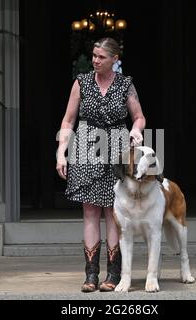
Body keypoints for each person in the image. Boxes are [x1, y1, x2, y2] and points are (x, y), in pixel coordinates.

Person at [56, 37, 146, 292]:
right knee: (90, 212)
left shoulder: (125, 85)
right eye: (94, 56)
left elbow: (138, 117)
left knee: (113, 213)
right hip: (85, 146)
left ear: (115, 59)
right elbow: (68, 120)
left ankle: (113, 274)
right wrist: (61, 152)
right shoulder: (81, 83)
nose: (95, 60)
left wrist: (136, 131)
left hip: (117, 147)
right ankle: (91, 275)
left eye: (101, 57)